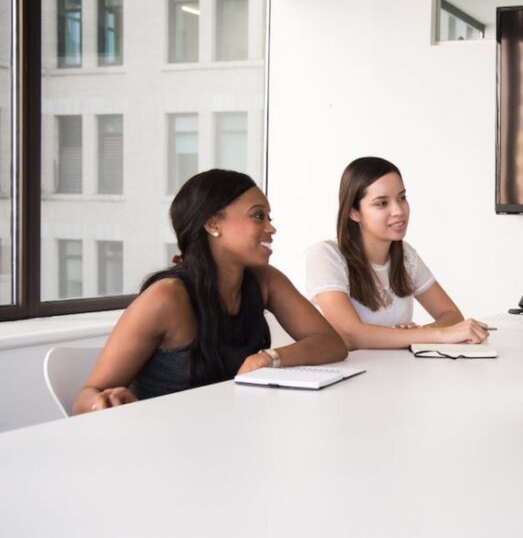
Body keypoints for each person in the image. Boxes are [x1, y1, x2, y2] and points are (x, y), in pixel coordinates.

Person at [72, 169, 348, 414]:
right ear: (213, 224)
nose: (270, 227)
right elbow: (84, 400)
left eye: (268, 217)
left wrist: (268, 358)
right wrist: (103, 403)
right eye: (258, 216)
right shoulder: (165, 298)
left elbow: (330, 343)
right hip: (164, 448)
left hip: (227, 438)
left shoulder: (264, 280)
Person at [306, 156, 488, 350]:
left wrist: (413, 335)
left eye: (402, 198)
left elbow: (451, 315)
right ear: (354, 212)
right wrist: (422, 335)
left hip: (397, 373)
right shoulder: (326, 255)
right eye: (382, 203)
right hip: (351, 376)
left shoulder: (405, 255)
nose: (399, 211)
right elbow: (351, 335)